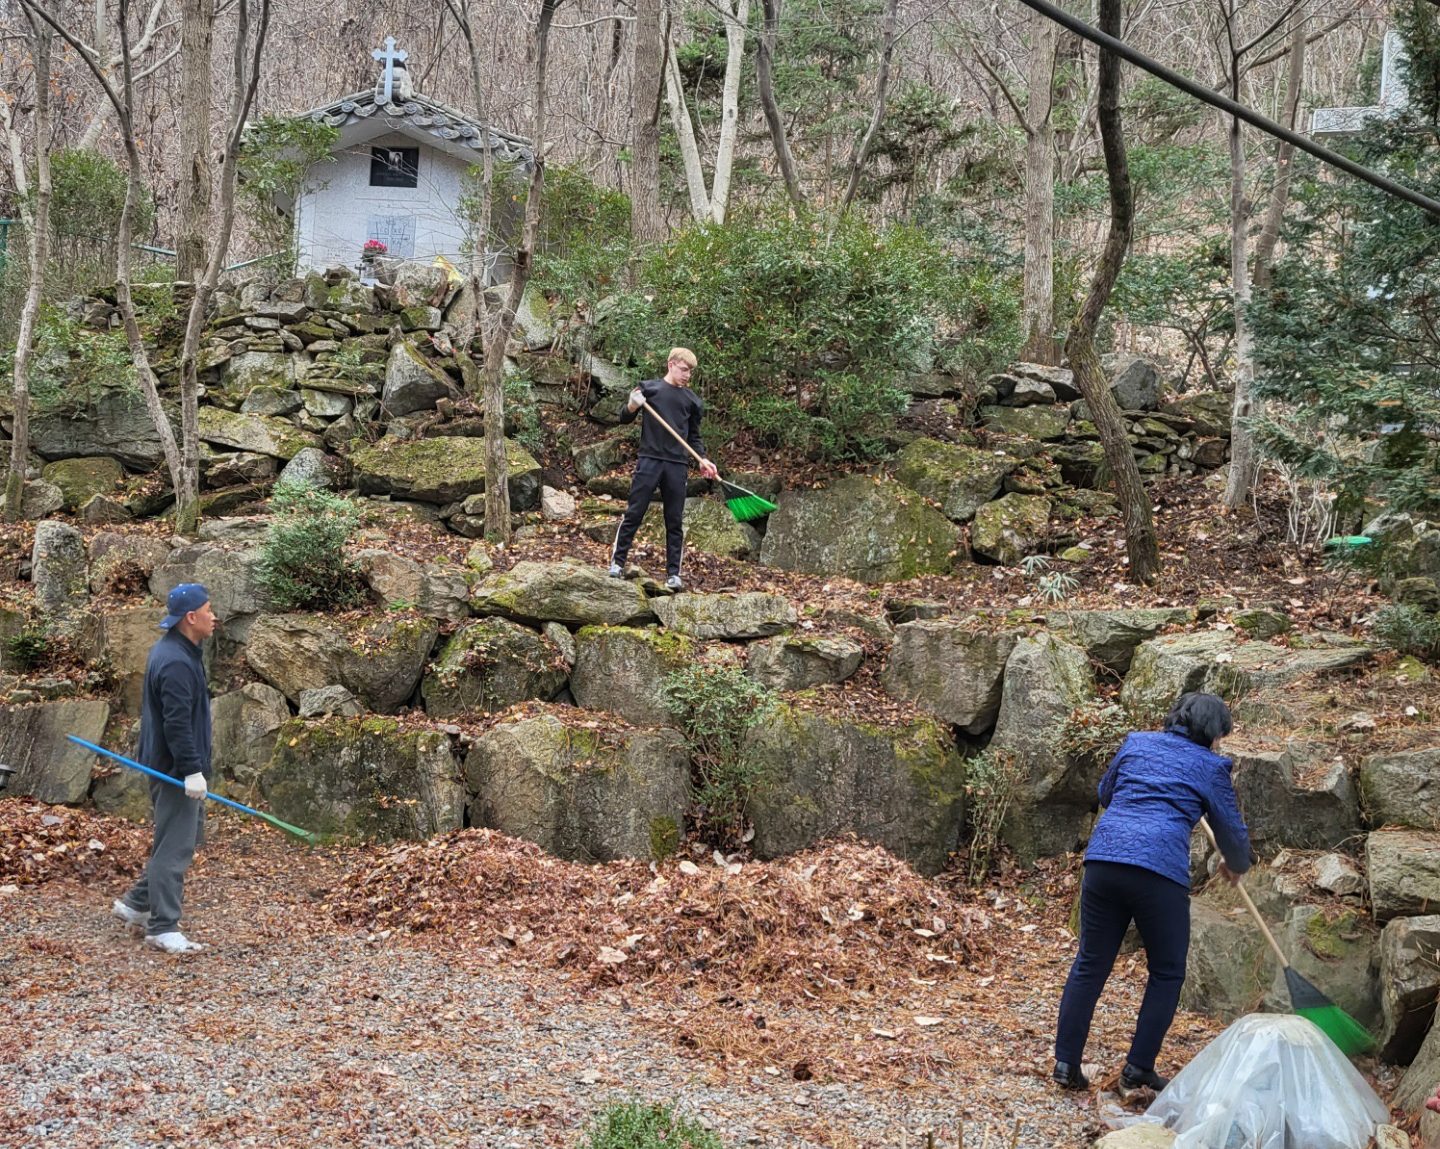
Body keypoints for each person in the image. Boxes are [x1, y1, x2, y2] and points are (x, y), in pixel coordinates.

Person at [1053, 691, 1251, 1094]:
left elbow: (1106, 794)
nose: (1220, 744)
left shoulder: (1136, 743)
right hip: (1158, 871)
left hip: (1104, 862)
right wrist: (1237, 863)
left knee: (1090, 962)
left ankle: (1065, 1064)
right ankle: (1139, 1068)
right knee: (1167, 970)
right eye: (1221, 736)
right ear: (1213, 733)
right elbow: (1232, 832)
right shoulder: (1211, 766)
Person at [111, 583, 218, 954]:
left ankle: (137, 904)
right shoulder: (174, 661)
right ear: (191, 617)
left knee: (179, 838)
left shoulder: (182, 650)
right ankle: (163, 927)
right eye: (208, 610)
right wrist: (190, 771)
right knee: (175, 849)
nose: (213, 616)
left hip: (175, 767)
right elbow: (176, 724)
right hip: (173, 771)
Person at [607, 347, 718, 592]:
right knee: (634, 513)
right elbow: (624, 417)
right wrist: (632, 405)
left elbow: (694, 436)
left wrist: (702, 459)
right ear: (671, 365)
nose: (687, 375)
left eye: (690, 371)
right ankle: (617, 563)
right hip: (649, 460)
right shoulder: (649, 389)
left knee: (674, 520)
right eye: (684, 369)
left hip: (677, 465)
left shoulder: (692, 401)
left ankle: (674, 575)